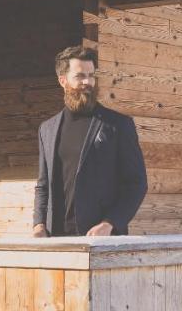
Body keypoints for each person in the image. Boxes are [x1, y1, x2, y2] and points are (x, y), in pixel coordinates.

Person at [32, 45, 147, 237]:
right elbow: (43, 185)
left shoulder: (117, 125)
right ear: (63, 80)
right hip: (56, 240)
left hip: (103, 241)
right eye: (79, 76)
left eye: (91, 75)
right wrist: (39, 223)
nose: (88, 82)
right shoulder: (47, 129)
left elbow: (137, 183)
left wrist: (110, 223)